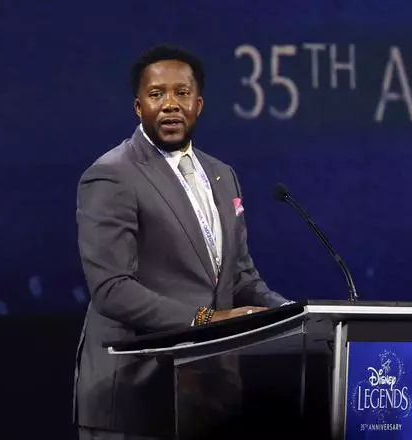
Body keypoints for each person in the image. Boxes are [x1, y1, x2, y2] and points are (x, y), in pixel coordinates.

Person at [73, 44, 293, 440]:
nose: (170, 104)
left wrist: (291, 314)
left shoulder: (222, 175)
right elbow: (111, 289)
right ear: (139, 107)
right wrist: (204, 320)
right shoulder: (111, 175)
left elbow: (238, 276)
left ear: (199, 104)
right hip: (135, 394)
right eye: (157, 94)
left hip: (209, 397)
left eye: (182, 93)